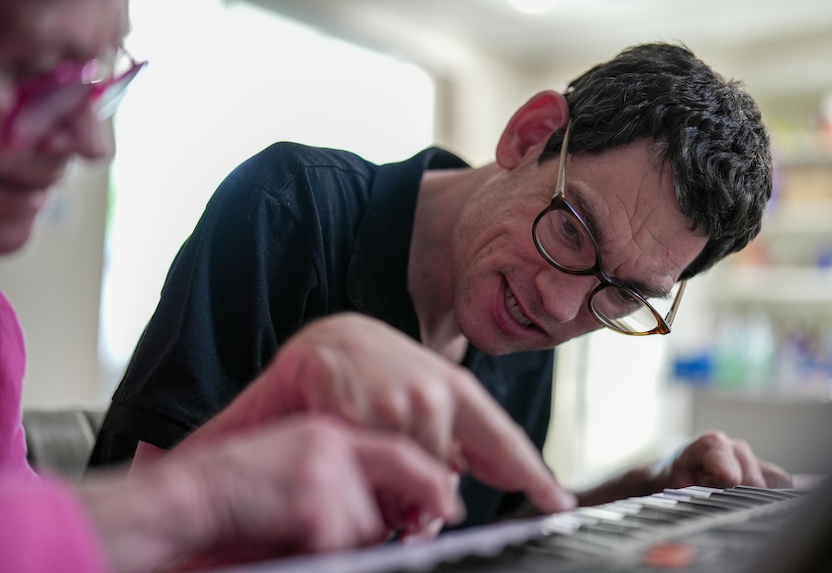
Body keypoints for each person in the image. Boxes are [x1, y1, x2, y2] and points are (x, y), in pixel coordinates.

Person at [90, 40, 791, 529]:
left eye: (623, 293)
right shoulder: (290, 206)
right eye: (574, 226)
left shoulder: (536, 300)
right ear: (529, 134)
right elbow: (147, 515)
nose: (559, 305)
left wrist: (654, 485)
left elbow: (497, 520)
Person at [0, 0, 491, 570]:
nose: (94, 143)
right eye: (33, 68)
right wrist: (207, 496)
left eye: (101, 72)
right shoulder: (291, 199)